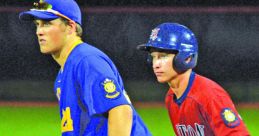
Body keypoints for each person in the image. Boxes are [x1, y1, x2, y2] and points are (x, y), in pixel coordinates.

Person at [19, 0, 151, 135]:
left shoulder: (86, 61)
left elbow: (121, 110)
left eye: (47, 23)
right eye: (37, 24)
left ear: (70, 27)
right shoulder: (66, 70)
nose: (39, 31)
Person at [137, 23, 250, 136]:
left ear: (187, 58)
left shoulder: (209, 95)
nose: (155, 64)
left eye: (163, 56)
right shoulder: (171, 98)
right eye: (153, 57)